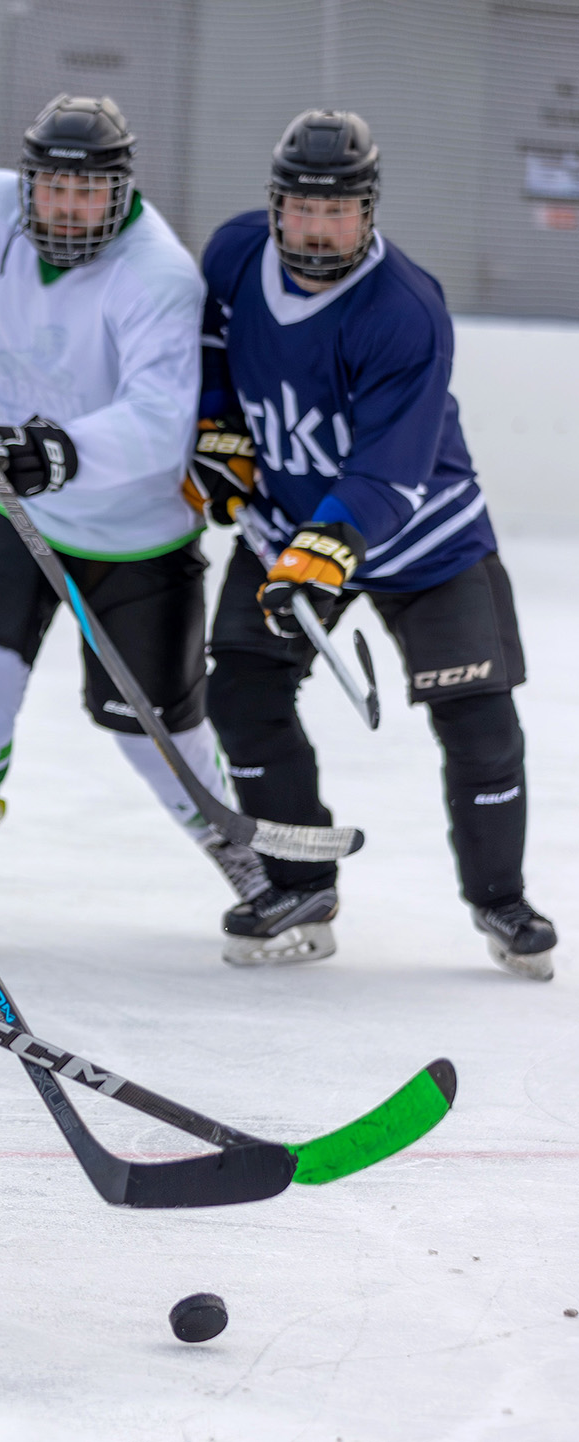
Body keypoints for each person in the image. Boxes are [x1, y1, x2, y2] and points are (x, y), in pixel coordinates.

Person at [0, 94, 267, 950]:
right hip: (15, 506)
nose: (70, 207)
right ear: (29, 183)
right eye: (54, 188)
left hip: (135, 526)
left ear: (122, 191)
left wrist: (51, 452)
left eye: (91, 193)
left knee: (150, 721)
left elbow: (162, 420)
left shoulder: (156, 272)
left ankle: (235, 845)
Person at [193, 109, 558, 978]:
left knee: (480, 722)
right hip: (286, 519)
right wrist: (219, 437)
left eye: (341, 211)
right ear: (276, 207)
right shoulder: (236, 254)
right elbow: (210, 350)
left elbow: (390, 474)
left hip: (427, 539)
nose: (320, 229)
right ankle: (300, 881)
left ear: (370, 211)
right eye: (304, 209)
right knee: (244, 692)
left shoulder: (406, 310)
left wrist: (322, 557)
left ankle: (499, 899)